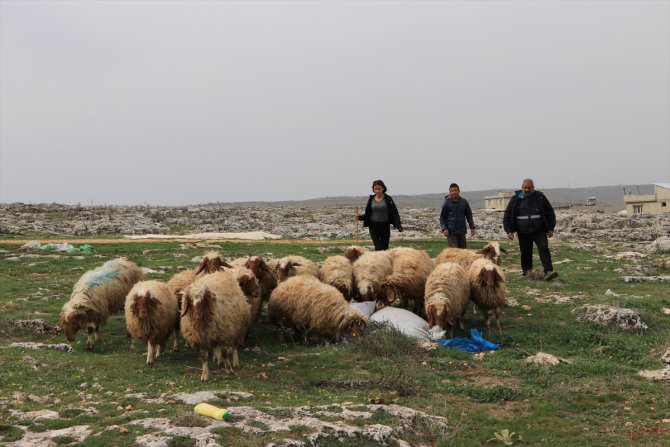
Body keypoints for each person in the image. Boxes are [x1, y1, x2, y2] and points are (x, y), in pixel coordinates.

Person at [503, 178, 558, 280]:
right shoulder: (516, 199)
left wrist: (551, 228)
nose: (527, 190)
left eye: (529, 188)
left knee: (544, 248)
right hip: (523, 232)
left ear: (533, 187)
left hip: (539, 230)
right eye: (525, 188)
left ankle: (548, 271)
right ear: (522, 187)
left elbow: (550, 213)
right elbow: (507, 215)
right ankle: (527, 273)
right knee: (525, 252)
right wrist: (509, 231)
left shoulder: (540, 197)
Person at [356, 179, 403, 251]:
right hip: (373, 225)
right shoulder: (371, 199)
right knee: (378, 246)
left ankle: (384, 261)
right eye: (376, 189)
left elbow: (394, 213)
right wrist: (359, 217)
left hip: (385, 225)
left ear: (383, 188)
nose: (377, 191)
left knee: (385, 247)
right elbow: (368, 213)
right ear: (373, 190)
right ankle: (377, 261)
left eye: (379, 189)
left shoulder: (388, 199)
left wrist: (398, 225)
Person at [439, 183, 476, 248]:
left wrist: (472, 227)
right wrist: (444, 229)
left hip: (462, 231)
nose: (454, 192)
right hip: (451, 231)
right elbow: (442, 218)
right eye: (452, 191)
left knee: (462, 251)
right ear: (450, 192)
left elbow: (469, 215)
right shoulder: (446, 203)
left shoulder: (464, 202)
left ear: (459, 191)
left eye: (456, 190)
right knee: (454, 251)